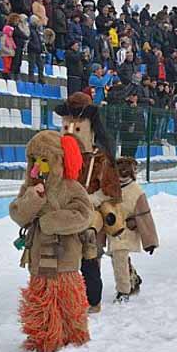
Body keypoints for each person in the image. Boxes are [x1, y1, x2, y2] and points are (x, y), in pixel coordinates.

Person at [8, 130, 92, 352]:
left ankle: (73, 335)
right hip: (38, 254)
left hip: (65, 256)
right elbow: (18, 214)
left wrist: (51, 221)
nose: (38, 165)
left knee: (67, 298)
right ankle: (45, 338)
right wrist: (32, 196)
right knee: (42, 298)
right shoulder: (30, 188)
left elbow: (84, 214)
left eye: (44, 159)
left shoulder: (72, 187)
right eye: (34, 160)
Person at [55, 92, 122, 313]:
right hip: (63, 211)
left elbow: (110, 189)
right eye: (66, 127)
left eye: (77, 128)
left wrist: (90, 200)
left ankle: (92, 299)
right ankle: (62, 294)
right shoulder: (57, 156)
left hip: (89, 212)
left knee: (88, 251)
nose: (70, 133)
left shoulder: (99, 157)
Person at [106, 158, 159, 302]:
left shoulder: (136, 191)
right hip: (113, 229)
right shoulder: (111, 187)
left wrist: (150, 242)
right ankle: (133, 277)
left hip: (127, 231)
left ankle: (123, 292)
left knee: (119, 258)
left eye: (125, 172)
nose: (122, 176)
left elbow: (145, 216)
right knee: (117, 258)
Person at [27, 15, 45, 84]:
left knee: (40, 66)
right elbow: (28, 40)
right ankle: (31, 79)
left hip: (37, 51)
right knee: (32, 65)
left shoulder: (36, 31)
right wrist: (33, 46)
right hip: (32, 50)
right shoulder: (30, 30)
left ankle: (41, 79)